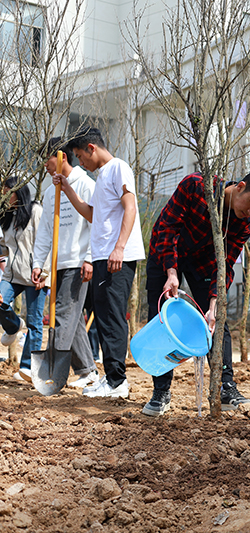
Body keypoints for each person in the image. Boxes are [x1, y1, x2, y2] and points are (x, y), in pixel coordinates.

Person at [142, 168, 250, 416]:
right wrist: (171, 272)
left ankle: (226, 387)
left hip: (203, 262)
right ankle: (161, 391)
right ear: (240, 187)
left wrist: (214, 305)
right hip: (166, 250)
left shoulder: (244, 223)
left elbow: (225, 262)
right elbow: (168, 228)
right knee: (160, 315)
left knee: (217, 320)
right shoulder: (195, 186)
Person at [55, 127, 146, 398]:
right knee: (104, 317)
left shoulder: (118, 168)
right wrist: (68, 189)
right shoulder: (103, 174)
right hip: (102, 257)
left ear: (92, 148)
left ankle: (117, 381)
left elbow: (131, 207)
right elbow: (92, 214)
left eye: (81, 156)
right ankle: (112, 377)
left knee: (113, 316)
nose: (81, 163)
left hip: (117, 256)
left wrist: (119, 248)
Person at [32, 138, 98, 389]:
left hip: (78, 262)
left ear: (61, 157)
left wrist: (90, 257)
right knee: (73, 320)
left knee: (62, 315)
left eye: (47, 159)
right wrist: (38, 263)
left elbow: (96, 224)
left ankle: (51, 373)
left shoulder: (86, 185)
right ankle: (88, 371)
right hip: (57, 265)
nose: (45, 165)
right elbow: (45, 232)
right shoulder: (51, 192)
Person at [0, 176, 46, 383]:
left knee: (35, 323)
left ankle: (28, 367)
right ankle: (12, 326)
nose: (4, 197)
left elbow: (47, 242)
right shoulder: (7, 216)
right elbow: (5, 246)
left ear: (18, 192)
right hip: (12, 275)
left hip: (35, 275)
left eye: (7, 193)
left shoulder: (35, 211)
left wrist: (44, 272)